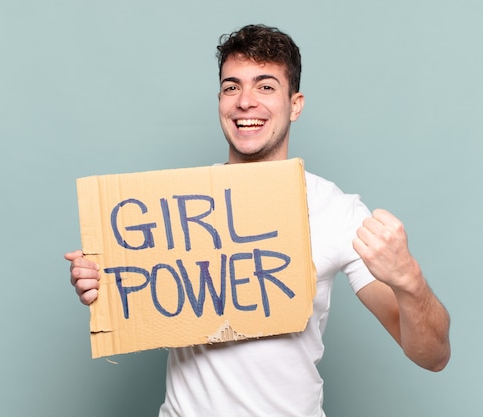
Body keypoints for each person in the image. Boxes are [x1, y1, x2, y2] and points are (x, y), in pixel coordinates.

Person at [65, 24, 451, 416]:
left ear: (295, 104)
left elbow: (432, 356)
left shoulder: (336, 210)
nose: (245, 101)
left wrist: (410, 281)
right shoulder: (177, 210)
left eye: (265, 86)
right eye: (232, 87)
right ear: (220, 100)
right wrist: (104, 282)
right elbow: (147, 292)